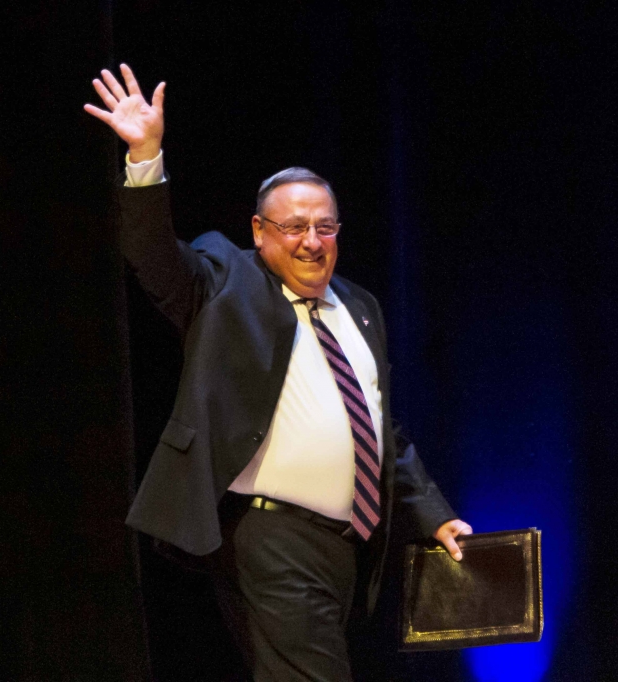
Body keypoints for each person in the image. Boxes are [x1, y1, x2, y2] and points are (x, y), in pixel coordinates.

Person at [85, 63, 472, 681]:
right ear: (260, 233)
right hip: (268, 536)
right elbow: (155, 258)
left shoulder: (359, 305)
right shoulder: (226, 279)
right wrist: (145, 157)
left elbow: (378, 429)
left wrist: (433, 513)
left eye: (324, 226)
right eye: (294, 227)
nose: (312, 241)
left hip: (347, 548)